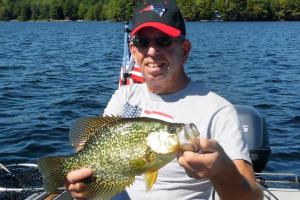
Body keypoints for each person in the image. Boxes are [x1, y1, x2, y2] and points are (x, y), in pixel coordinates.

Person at [65, 0, 263, 199]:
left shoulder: (218, 111)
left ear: (184, 50)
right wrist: (82, 183)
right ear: (133, 51)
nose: (151, 51)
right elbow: (87, 149)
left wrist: (222, 172)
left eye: (163, 41)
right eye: (142, 42)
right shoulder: (124, 95)